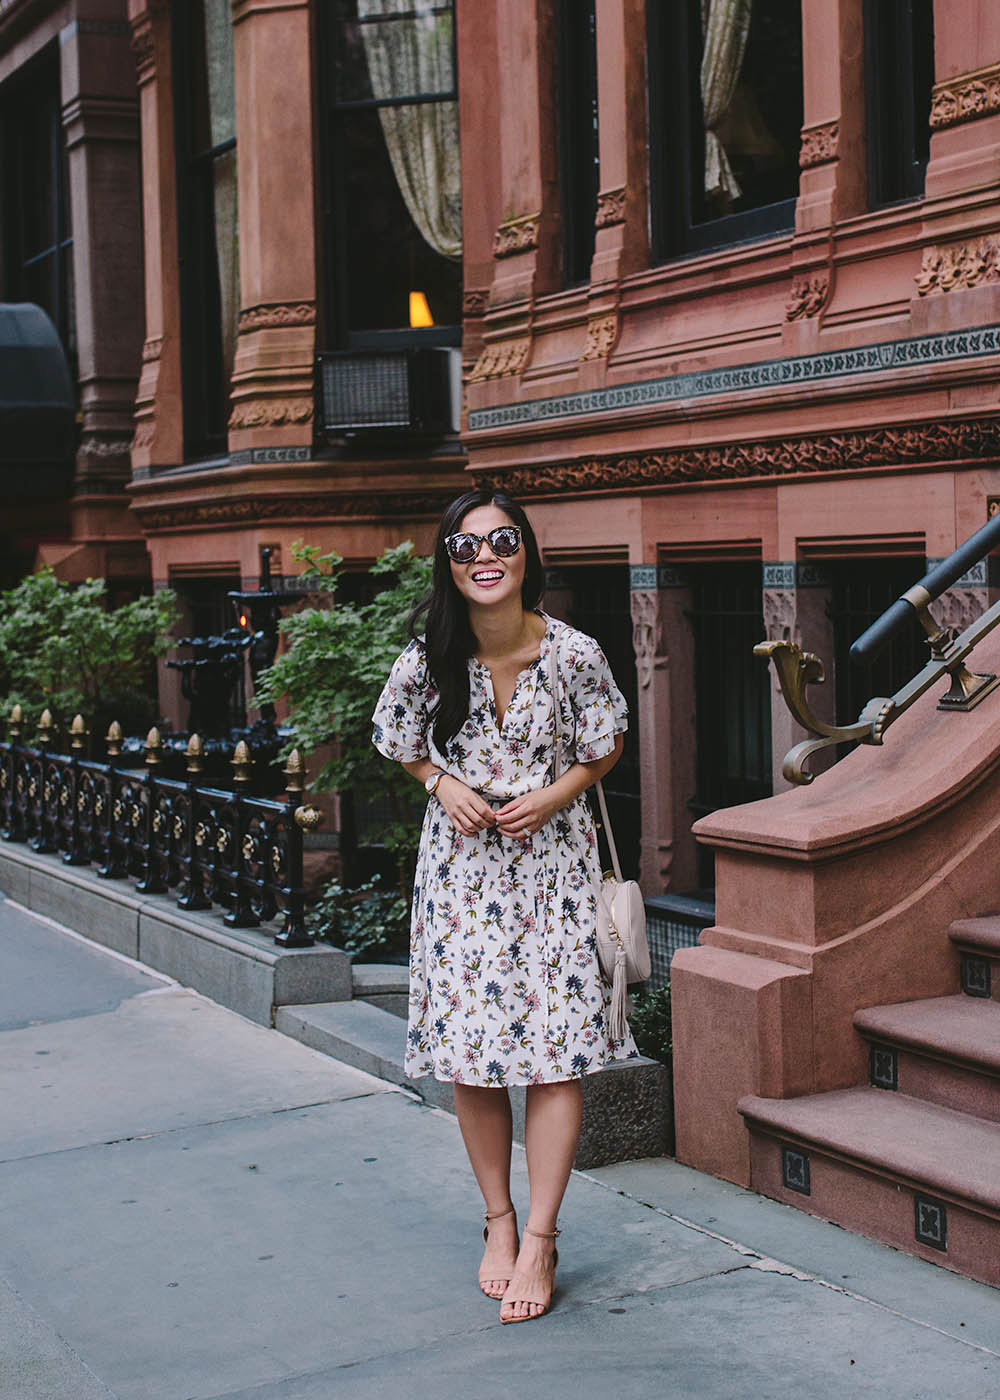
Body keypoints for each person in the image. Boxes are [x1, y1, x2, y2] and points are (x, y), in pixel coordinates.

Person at [371, 488, 635, 1323]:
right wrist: (440, 782)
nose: (484, 556)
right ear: (448, 564)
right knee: (472, 1056)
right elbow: (396, 738)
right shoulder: (428, 657)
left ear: (527, 555)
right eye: (464, 545)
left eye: (501, 540)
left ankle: (544, 1237)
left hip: (552, 870)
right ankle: (498, 1220)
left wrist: (554, 797)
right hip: (461, 878)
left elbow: (606, 744)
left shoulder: (574, 653)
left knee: (555, 1053)